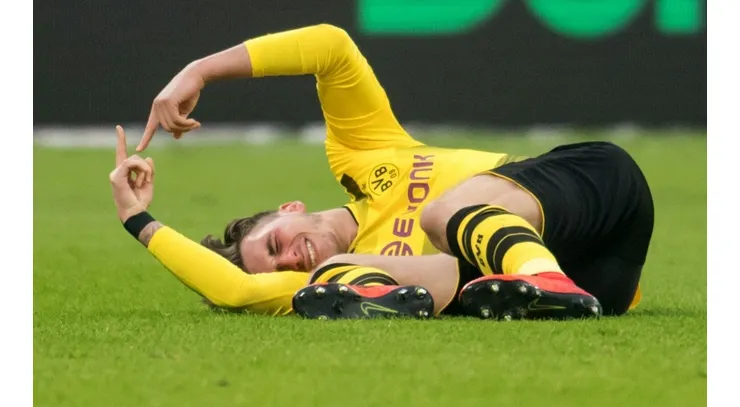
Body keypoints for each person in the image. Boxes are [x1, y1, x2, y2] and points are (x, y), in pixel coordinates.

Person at [122, 24, 654, 320]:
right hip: (600, 285)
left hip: (596, 192)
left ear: (290, 209)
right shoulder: (348, 274)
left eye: (275, 243)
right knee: (338, 277)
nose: (290, 258)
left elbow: (330, 47)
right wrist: (137, 219)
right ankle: (539, 290)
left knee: (440, 216)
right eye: (277, 267)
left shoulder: (362, 154)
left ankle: (540, 277)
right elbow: (238, 291)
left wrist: (199, 70)